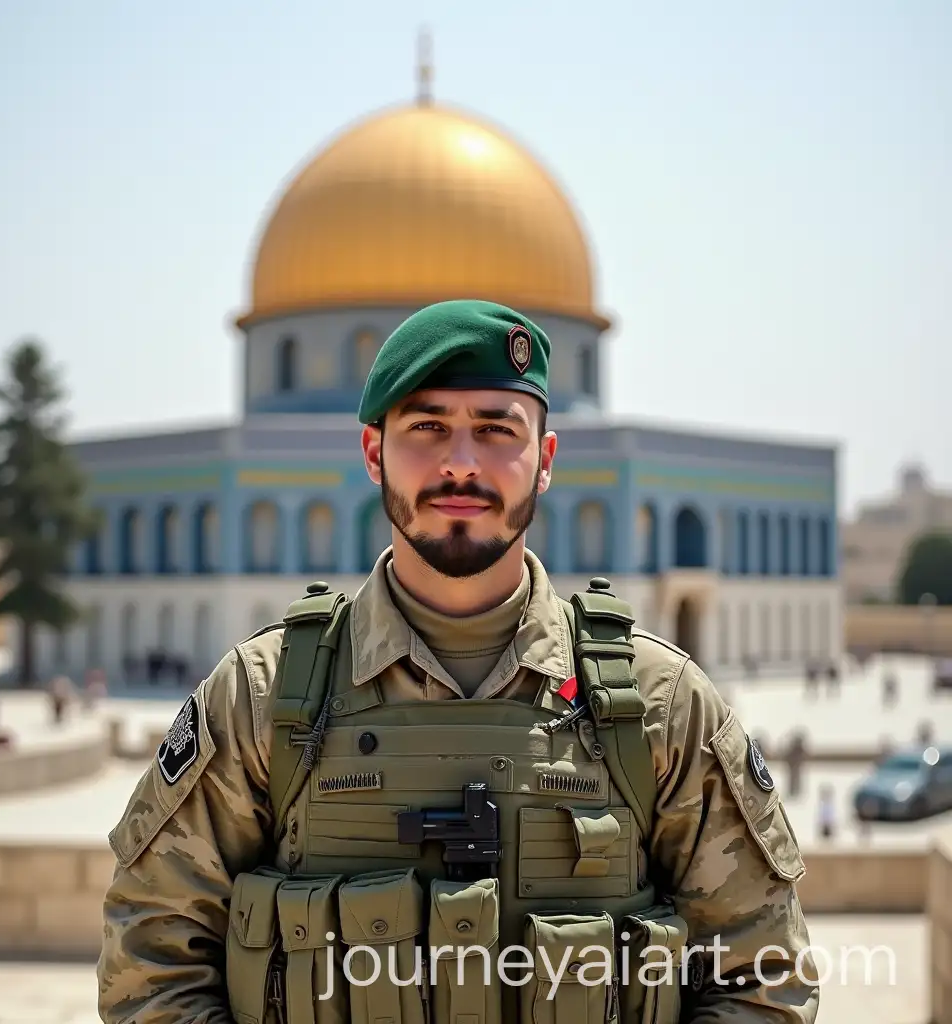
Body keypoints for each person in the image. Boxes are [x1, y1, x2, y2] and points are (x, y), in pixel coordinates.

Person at [98, 300, 818, 1022]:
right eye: (427, 426)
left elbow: (762, 975)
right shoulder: (264, 699)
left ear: (545, 461)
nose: (461, 464)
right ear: (374, 453)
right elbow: (152, 961)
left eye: (497, 430)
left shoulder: (658, 704)